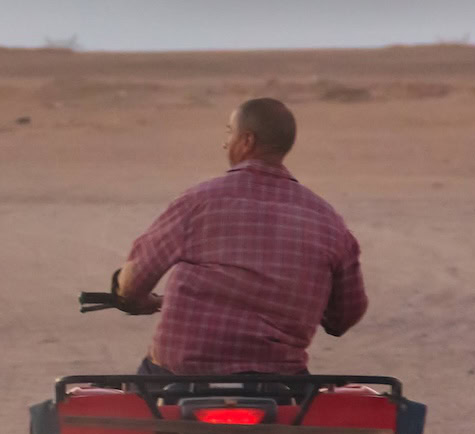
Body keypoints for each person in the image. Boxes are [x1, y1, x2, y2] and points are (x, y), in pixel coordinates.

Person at [110, 97, 366, 375]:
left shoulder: (199, 201)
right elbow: (345, 316)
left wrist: (136, 299)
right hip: (278, 381)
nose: (224, 143)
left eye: (228, 133)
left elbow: (133, 283)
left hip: (182, 375)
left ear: (246, 141)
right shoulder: (329, 221)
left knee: (138, 400)